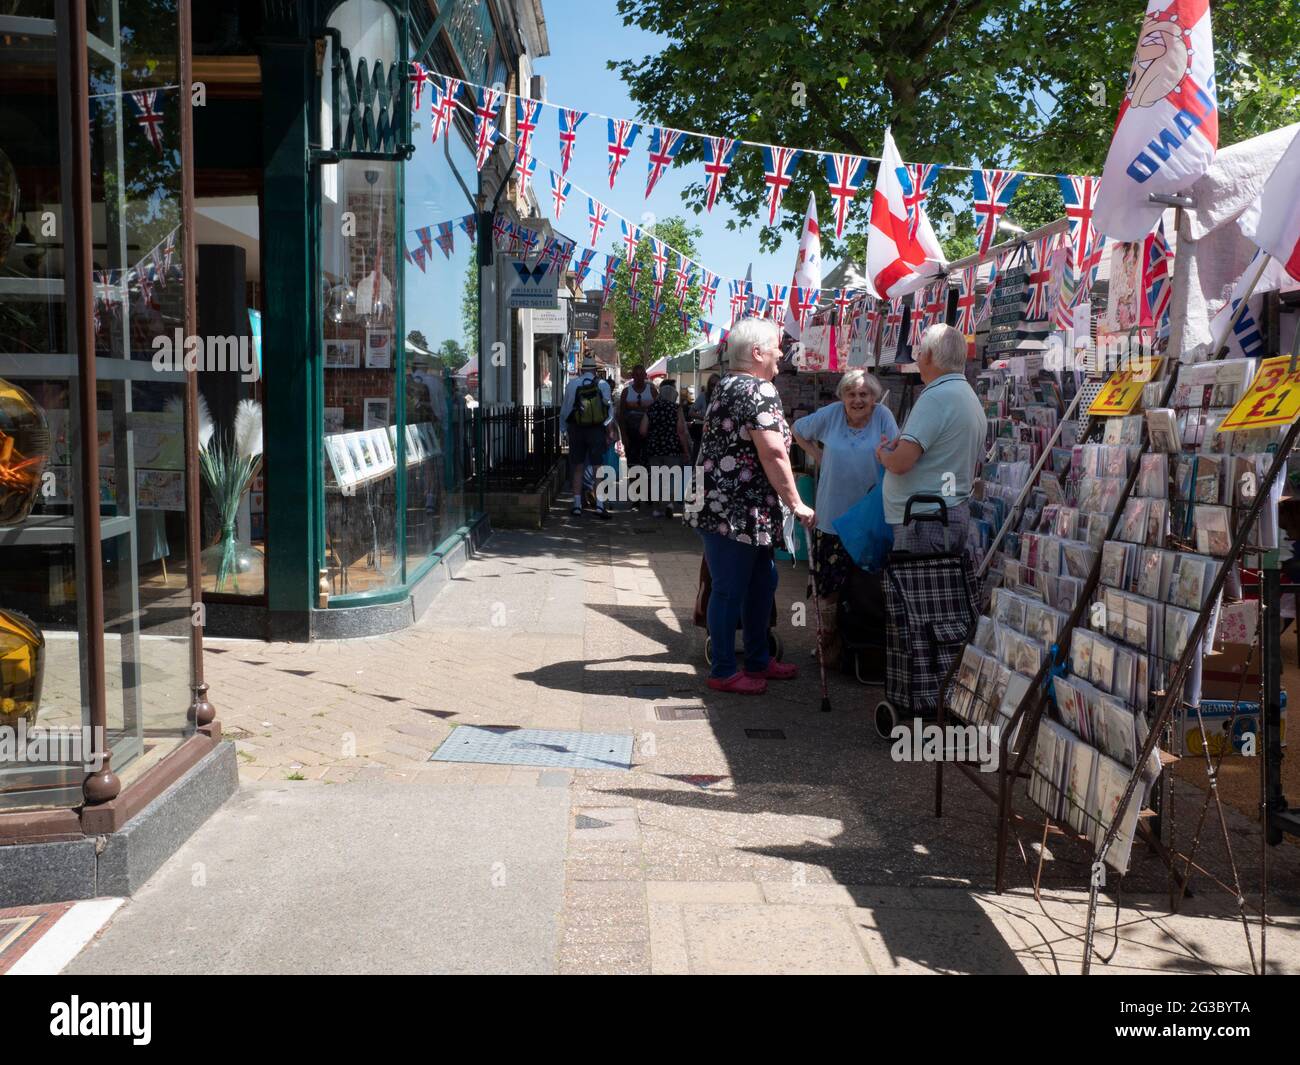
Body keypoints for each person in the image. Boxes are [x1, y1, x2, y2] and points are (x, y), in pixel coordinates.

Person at [687, 316, 816, 694]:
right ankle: (725, 669)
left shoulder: (728, 385)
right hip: (733, 510)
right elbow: (773, 452)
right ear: (757, 353)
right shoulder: (757, 389)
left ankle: (758, 658)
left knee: (762, 582)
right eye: (776, 346)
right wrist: (797, 503)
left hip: (737, 507)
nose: (781, 353)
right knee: (730, 588)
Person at [792, 369, 898, 666]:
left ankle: (860, 645)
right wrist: (817, 455)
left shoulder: (883, 417)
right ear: (842, 397)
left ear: (874, 398)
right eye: (851, 394)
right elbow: (797, 429)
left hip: (869, 517)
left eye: (864, 394)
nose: (858, 399)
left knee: (866, 586)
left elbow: (898, 449)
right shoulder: (831, 414)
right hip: (832, 517)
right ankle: (827, 645)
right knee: (828, 588)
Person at [876, 324, 987, 555]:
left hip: (924, 518)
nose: (917, 360)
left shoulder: (937, 397)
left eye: (919, 353)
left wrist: (884, 455)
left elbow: (900, 463)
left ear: (928, 356)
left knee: (916, 590)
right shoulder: (965, 394)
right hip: (944, 513)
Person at [560, 354, 615, 519]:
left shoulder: (572, 384)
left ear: (581, 369)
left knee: (577, 466)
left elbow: (566, 409)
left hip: (576, 429)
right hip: (596, 429)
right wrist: (609, 431)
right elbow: (609, 411)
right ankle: (599, 505)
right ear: (595, 370)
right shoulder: (603, 385)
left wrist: (563, 429)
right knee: (598, 467)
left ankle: (577, 505)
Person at [640, 381, 693, 518]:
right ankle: (669, 503)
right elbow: (681, 431)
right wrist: (686, 451)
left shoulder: (651, 408)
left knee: (656, 477)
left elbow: (642, 431)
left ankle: (657, 509)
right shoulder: (676, 408)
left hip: (654, 448)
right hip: (672, 448)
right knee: (671, 477)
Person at [619, 364, 657, 510]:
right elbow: (621, 415)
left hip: (649, 434)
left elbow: (657, 411)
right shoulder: (626, 392)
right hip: (631, 434)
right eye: (636, 375)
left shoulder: (652, 391)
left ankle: (647, 494)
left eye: (642, 375)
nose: (639, 377)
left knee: (648, 466)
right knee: (633, 466)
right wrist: (623, 435)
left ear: (645, 376)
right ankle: (635, 497)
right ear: (633, 376)